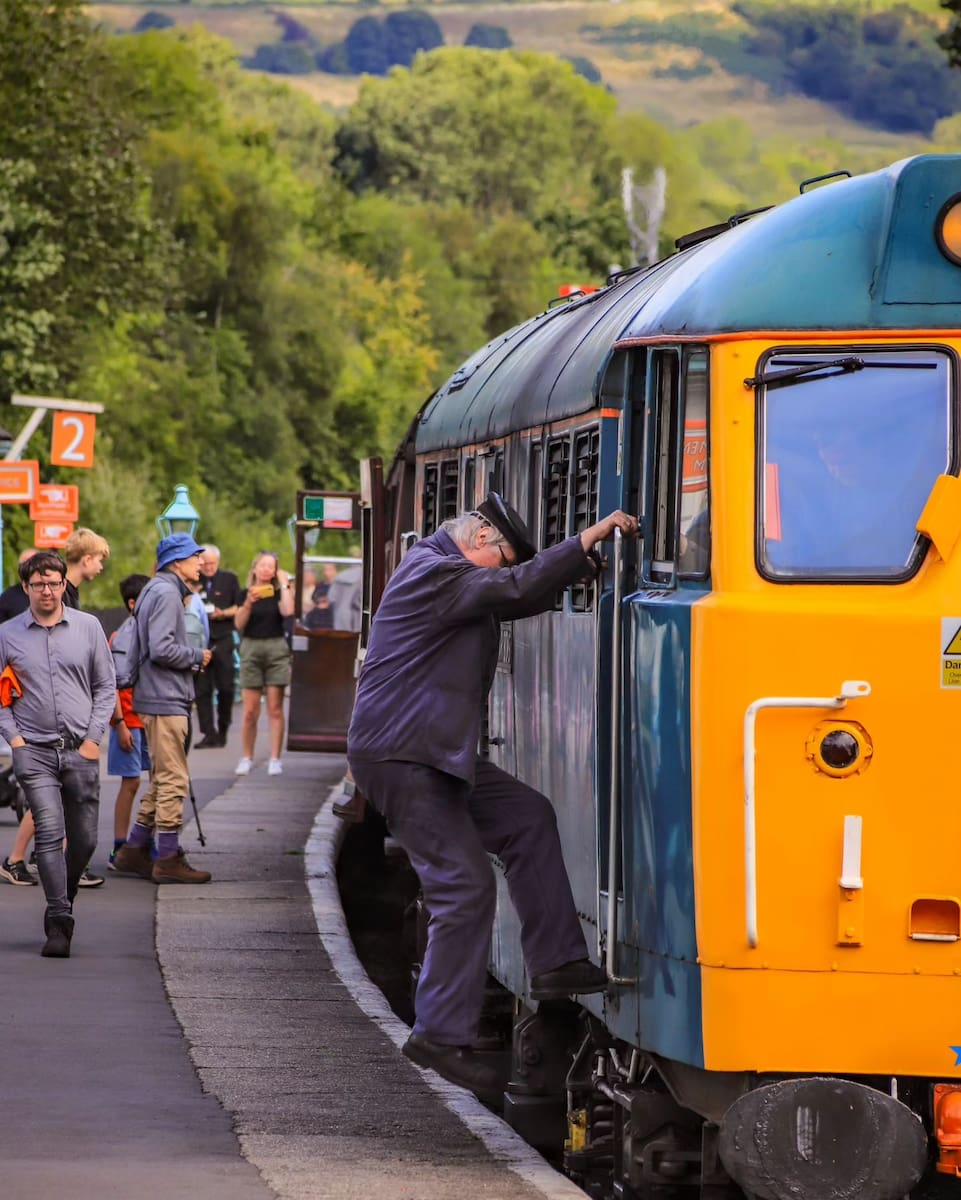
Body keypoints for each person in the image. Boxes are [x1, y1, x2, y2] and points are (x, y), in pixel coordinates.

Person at [347, 492, 639, 1095]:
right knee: (464, 887)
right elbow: (509, 591)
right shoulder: (435, 573)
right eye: (503, 557)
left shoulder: (450, 572)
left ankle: (557, 963)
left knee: (527, 817)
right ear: (481, 537)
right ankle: (438, 1033)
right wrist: (586, 539)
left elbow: (517, 591)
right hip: (406, 756)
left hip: (434, 753)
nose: (504, 569)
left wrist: (575, 568)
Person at [0, 551, 115, 956]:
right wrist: (15, 740)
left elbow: (106, 687)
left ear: (64, 584)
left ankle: (62, 895)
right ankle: (59, 919)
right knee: (49, 832)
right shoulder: (8, 634)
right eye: (38, 584)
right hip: (33, 751)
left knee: (84, 841)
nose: (46, 591)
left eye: (53, 583)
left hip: (80, 752)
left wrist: (92, 740)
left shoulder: (88, 628)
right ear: (26, 588)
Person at [111, 534, 212, 885]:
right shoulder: (169, 593)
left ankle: (133, 850)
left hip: (153, 697)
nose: (200, 562)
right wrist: (198, 657)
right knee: (173, 779)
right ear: (177, 562)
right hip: (165, 698)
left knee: (162, 776)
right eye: (195, 556)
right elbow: (162, 649)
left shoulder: (155, 589)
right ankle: (167, 857)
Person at [233, 551, 294, 777]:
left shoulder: (280, 592)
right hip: (251, 647)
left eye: (272, 566)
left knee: (275, 708)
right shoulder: (244, 593)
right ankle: (247, 756)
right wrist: (249, 602)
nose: (267, 569)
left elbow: (288, 611)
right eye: (263, 565)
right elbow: (238, 624)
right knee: (250, 710)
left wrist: (285, 584)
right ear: (255, 568)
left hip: (276, 647)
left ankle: (275, 758)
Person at [106, 574, 151, 871]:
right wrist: (120, 724)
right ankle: (120, 846)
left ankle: (142, 844)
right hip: (128, 720)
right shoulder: (120, 636)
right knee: (131, 782)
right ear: (134, 603)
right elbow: (112, 686)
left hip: (148, 718)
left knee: (150, 781)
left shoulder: (148, 632)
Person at [194, 545, 242, 748]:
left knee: (226, 686)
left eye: (212, 563)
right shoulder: (195, 580)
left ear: (218, 562)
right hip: (202, 638)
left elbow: (238, 607)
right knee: (202, 689)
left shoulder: (229, 579)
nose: (208, 568)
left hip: (222, 636)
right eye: (205, 564)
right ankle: (208, 731)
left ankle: (223, 727)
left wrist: (222, 613)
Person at [63, 526, 110, 610]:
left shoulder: (69, 592)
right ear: (87, 560)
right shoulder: (60, 594)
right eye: (100, 561)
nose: (101, 567)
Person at [0, 547, 37, 624]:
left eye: (35, 563)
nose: (30, 569)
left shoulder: (56, 594)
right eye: (25, 564)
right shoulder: (7, 598)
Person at [303, 562, 337, 630]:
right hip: (315, 622)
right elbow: (314, 599)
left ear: (335, 570)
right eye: (324, 569)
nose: (326, 572)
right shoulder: (320, 586)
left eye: (329, 569)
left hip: (331, 623)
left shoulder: (340, 586)